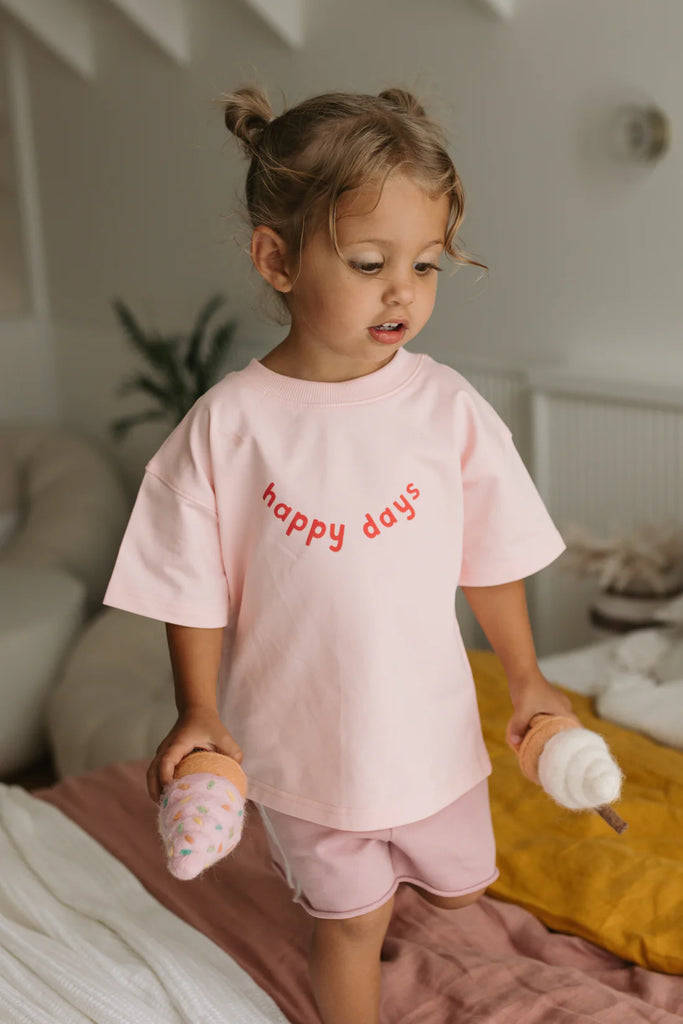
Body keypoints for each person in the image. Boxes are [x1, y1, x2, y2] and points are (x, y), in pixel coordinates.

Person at [104, 86, 574, 1024]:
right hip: (301, 741)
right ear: (276, 259)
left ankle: (407, 881)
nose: (403, 289)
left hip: (430, 732)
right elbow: (187, 583)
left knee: (458, 893)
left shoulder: (444, 409)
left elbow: (491, 554)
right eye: (369, 263)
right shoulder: (230, 427)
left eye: (427, 266)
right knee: (349, 923)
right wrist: (199, 708)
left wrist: (526, 678)